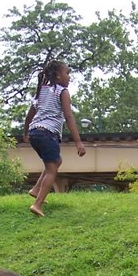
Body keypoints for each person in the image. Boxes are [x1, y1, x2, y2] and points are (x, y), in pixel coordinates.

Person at [22, 61, 86, 217]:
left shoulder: (40, 91)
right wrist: (78, 142)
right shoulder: (62, 91)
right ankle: (37, 205)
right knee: (52, 169)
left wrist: (25, 133)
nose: (69, 77)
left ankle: (36, 189)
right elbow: (69, 117)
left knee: (56, 162)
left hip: (35, 133)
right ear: (58, 75)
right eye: (67, 73)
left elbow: (29, 116)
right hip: (48, 133)